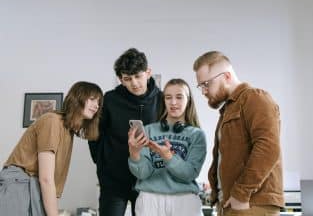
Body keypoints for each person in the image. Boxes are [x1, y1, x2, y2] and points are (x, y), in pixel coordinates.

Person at [193, 51, 284, 216]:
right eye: (201, 86)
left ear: (226, 76)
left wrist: (241, 194)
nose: (204, 91)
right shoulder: (228, 109)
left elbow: (268, 148)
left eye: (206, 84)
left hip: (250, 205)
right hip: (231, 204)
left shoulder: (255, 99)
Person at [0, 81, 103, 216]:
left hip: (32, 185)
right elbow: (46, 178)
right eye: (92, 99)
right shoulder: (53, 121)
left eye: (99, 102)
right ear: (78, 98)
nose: (96, 106)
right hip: (20, 184)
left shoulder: (68, 131)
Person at [88, 48, 162, 216]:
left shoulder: (162, 100)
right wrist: (101, 162)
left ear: (148, 72)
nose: (134, 83)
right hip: (113, 181)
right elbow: (94, 133)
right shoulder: (110, 99)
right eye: (127, 79)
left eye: (138, 76)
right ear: (120, 79)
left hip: (148, 182)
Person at [128, 78, 207, 216]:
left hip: (185, 200)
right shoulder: (148, 131)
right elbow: (142, 173)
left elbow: (189, 173)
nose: (173, 102)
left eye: (179, 97)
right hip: (150, 199)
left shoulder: (197, 135)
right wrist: (134, 153)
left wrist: (168, 157)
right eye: (168, 97)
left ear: (188, 100)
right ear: (163, 101)